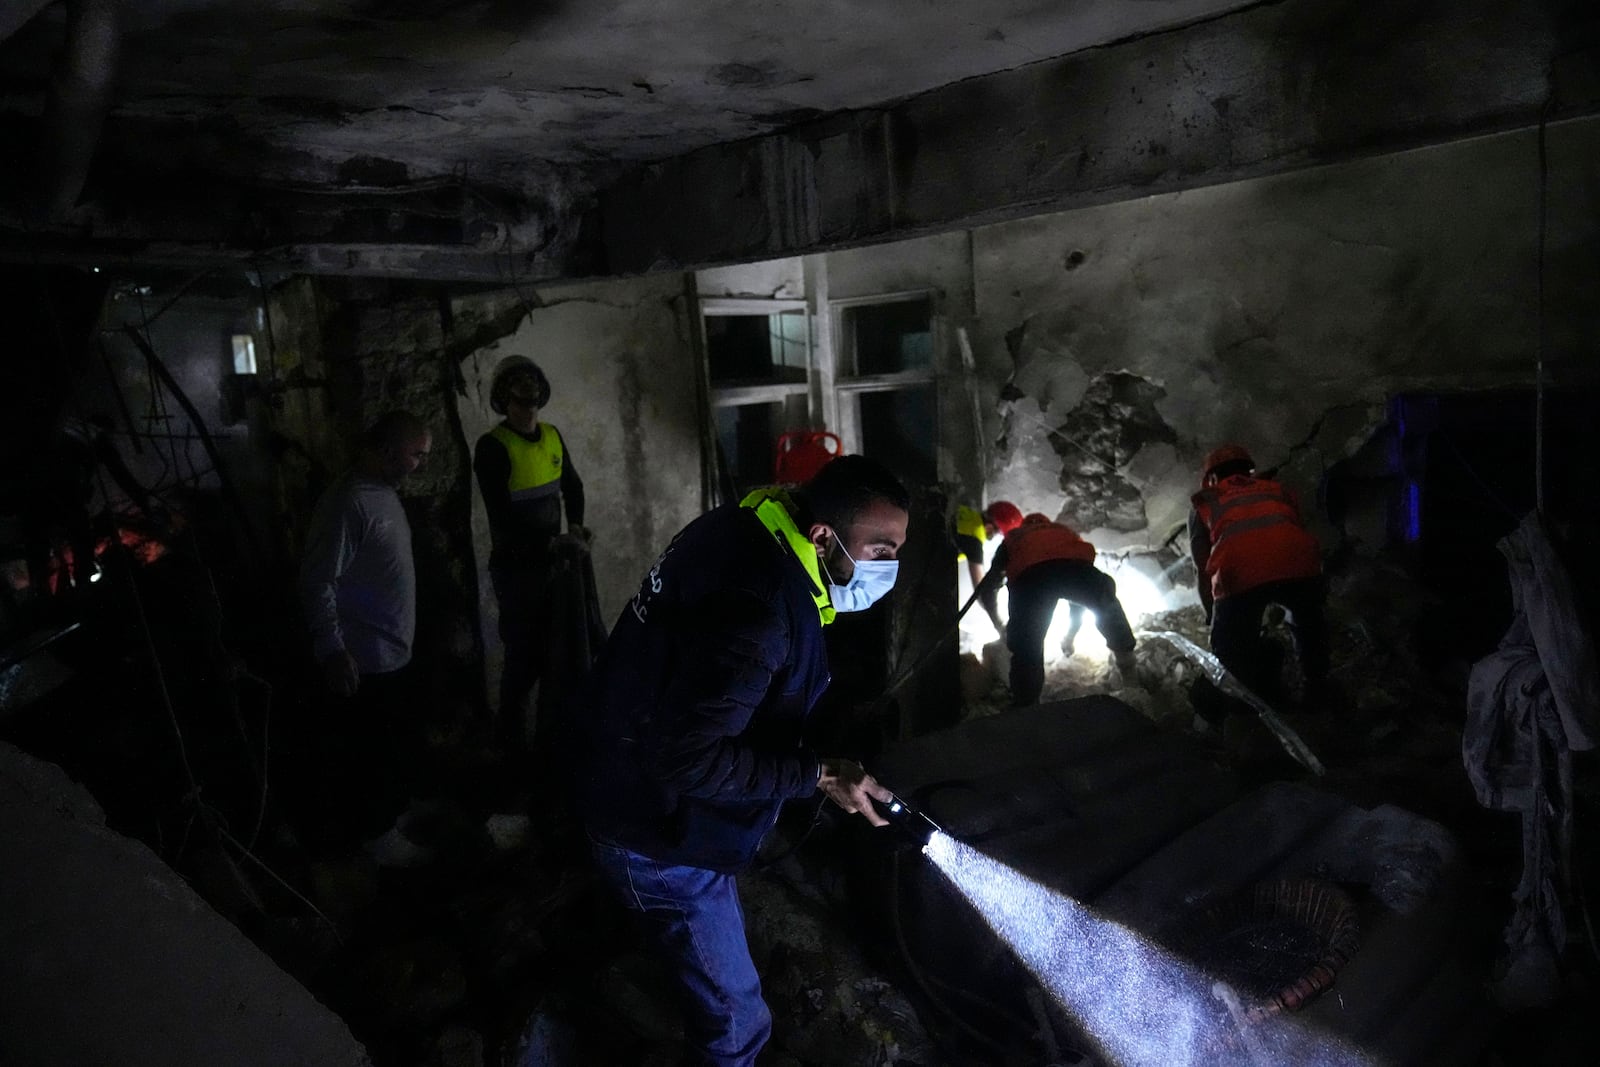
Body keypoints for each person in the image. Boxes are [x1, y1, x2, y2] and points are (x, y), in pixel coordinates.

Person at [579, 454, 908, 1067]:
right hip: (655, 836)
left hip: (621, 777)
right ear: (821, 535)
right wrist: (819, 774)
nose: (889, 567)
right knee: (737, 1020)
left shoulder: (745, 524)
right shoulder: (761, 613)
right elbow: (689, 758)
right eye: (880, 550)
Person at [297, 410, 432, 854]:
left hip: (392, 652)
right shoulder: (349, 501)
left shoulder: (383, 493)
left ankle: (395, 813)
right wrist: (332, 648)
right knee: (371, 753)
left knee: (392, 747)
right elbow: (319, 581)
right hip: (366, 657)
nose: (421, 465)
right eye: (416, 455)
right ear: (388, 451)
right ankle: (378, 839)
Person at [473, 355, 587, 757]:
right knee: (523, 664)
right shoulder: (492, 448)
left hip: (555, 566)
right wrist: (547, 545)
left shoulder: (553, 437)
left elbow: (572, 487)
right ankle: (511, 752)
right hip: (517, 573)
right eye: (520, 404)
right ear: (504, 402)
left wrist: (574, 526)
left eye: (534, 403)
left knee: (561, 656)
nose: (528, 411)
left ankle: (553, 743)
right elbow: (502, 517)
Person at [1188, 444, 1328, 723]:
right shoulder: (1276, 489)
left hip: (1239, 574)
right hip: (1301, 566)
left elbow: (1202, 569)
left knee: (1231, 650)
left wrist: (1212, 615)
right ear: (1249, 470)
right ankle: (1319, 691)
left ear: (1212, 478)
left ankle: (1246, 716)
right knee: (1308, 626)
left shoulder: (1207, 500)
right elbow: (1290, 532)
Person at [982, 512, 1137, 706]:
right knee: (1104, 602)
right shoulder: (1063, 531)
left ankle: (1026, 707)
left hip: (1030, 579)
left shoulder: (1014, 536)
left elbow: (988, 587)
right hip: (1076, 569)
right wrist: (1070, 635)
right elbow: (1078, 592)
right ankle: (1132, 678)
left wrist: (999, 625)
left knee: (1027, 646)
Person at [952, 499, 1023, 634]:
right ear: (990, 527)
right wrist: (999, 625)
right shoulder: (975, 534)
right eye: (999, 535)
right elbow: (982, 591)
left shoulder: (966, 515)